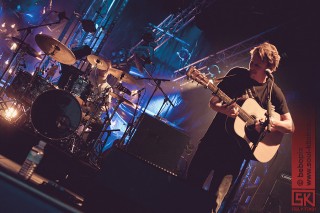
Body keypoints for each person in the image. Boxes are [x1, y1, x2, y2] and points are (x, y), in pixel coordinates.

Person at [186, 42, 295, 213]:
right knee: (188, 189)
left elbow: (290, 126)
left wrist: (268, 123)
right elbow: (213, 102)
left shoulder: (273, 91)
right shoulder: (236, 74)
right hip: (212, 143)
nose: (251, 66)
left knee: (214, 203)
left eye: (257, 65)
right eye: (252, 61)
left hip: (234, 156)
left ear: (269, 69)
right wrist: (224, 110)